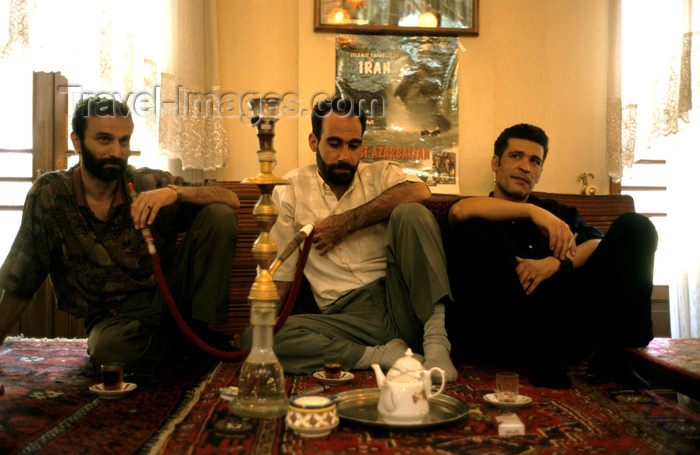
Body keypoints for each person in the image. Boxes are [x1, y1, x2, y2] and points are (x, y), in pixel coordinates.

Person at [0, 97, 240, 373]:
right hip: (113, 320)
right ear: (77, 141)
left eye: (123, 141)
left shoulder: (147, 183)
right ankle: (187, 350)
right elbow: (21, 280)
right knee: (111, 351)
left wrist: (174, 193)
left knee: (219, 215)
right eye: (104, 139)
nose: (116, 151)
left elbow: (230, 199)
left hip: (167, 298)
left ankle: (199, 333)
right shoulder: (51, 194)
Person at [241, 97, 457, 381]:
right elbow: (279, 278)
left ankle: (437, 345)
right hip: (345, 319)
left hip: (400, 301)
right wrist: (259, 330)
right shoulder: (289, 190)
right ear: (313, 141)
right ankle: (382, 356)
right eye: (334, 144)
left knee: (412, 213)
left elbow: (420, 193)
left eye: (354, 145)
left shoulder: (381, 175)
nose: (345, 156)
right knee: (256, 339)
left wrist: (345, 223)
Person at [446, 123, 658, 389]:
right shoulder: (484, 212)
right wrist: (533, 212)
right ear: (495, 163)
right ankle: (537, 354)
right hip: (504, 331)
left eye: (534, 161)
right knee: (474, 231)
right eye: (516, 156)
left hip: (563, 326)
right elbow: (458, 211)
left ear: (539, 172)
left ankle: (615, 353)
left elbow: (596, 242)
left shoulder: (559, 212)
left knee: (637, 226)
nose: (525, 166)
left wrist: (556, 264)